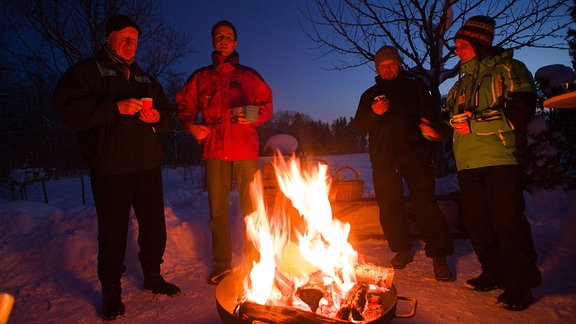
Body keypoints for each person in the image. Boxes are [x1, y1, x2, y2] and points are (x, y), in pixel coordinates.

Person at [52, 15, 180, 320]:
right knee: (112, 233)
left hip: (147, 164)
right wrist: (114, 108)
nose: (129, 44)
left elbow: (167, 115)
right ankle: (111, 291)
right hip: (110, 168)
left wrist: (157, 120)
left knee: (153, 226)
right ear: (108, 38)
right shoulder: (87, 72)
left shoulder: (143, 78)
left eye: (134, 39)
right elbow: (65, 108)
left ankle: (152, 276)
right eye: (123, 37)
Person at [420, 16, 541, 311]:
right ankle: (494, 272)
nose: (457, 51)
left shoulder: (509, 70)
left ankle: (520, 284)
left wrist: (475, 123)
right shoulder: (460, 85)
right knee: (476, 222)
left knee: (507, 221)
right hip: (468, 163)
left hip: (499, 158)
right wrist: (437, 131)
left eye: (462, 45)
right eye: (456, 45)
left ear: (479, 43)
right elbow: (454, 124)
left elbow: (519, 112)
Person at [175, 20, 273, 285]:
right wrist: (191, 125)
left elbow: (266, 105)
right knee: (217, 211)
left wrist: (253, 115)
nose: (223, 40)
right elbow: (183, 105)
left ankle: (256, 262)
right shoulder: (200, 77)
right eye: (218, 36)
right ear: (213, 41)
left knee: (252, 209)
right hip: (214, 150)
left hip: (244, 149)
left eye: (228, 36)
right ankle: (222, 265)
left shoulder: (249, 76)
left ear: (236, 42)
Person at [352, 46, 454, 281]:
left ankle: (439, 255)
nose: (387, 69)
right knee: (389, 207)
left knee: (426, 205)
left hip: (415, 158)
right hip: (384, 160)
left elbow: (433, 121)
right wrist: (373, 113)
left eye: (391, 64)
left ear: (398, 64)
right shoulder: (370, 95)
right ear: (377, 69)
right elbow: (359, 126)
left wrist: (429, 151)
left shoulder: (416, 88)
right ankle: (402, 249)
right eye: (382, 66)